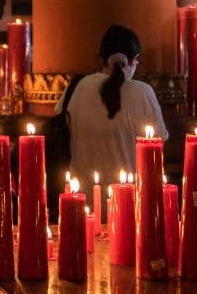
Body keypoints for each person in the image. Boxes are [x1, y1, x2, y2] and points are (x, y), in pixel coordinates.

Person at [57, 24, 168, 184]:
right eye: (137, 60)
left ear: (101, 57)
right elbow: (158, 142)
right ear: (131, 60)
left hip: (81, 195)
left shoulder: (77, 87)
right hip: (130, 196)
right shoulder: (143, 92)